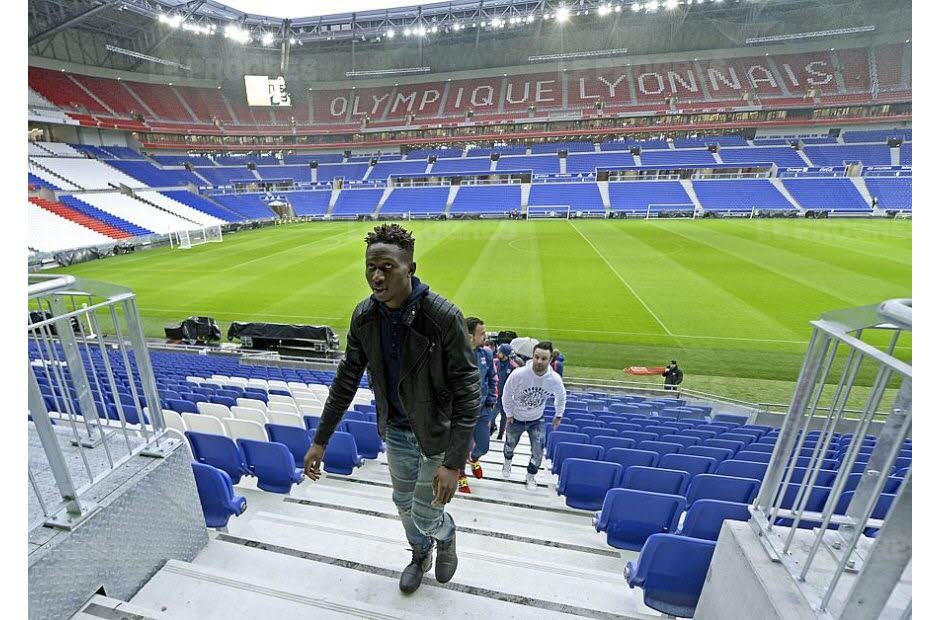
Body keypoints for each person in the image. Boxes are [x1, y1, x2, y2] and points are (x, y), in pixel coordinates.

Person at [302, 224, 481, 595]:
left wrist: (453, 463)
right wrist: (320, 441)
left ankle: (445, 536)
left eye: (387, 267)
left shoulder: (444, 318)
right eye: (371, 267)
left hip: (436, 434)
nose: (377, 275)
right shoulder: (364, 316)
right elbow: (345, 380)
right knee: (403, 503)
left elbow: (468, 394)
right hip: (396, 432)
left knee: (425, 511)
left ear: (410, 268)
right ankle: (419, 554)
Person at [500, 341, 567, 490]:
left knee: (538, 451)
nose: (539, 361)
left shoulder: (554, 379)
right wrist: (508, 413)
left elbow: (561, 396)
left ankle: (530, 476)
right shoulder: (519, 374)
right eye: (536, 357)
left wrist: (558, 415)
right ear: (533, 356)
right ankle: (507, 462)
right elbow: (506, 393)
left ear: (550, 360)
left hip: (536, 419)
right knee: (510, 445)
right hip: (516, 418)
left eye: (544, 358)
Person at [458, 317, 498, 494]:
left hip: (482, 408)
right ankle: (461, 475)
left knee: (483, 446)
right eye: (482, 333)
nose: (486, 336)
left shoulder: (487, 354)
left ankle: (474, 459)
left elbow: (491, 378)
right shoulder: (455, 353)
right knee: (461, 446)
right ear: (469, 336)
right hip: (461, 411)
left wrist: (490, 401)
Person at [493, 343, 520, 439]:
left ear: (505, 354)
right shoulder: (495, 362)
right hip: (495, 393)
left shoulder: (513, 367)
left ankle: (501, 433)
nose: (497, 353)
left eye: (499, 352)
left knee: (504, 415)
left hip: (505, 396)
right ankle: (492, 427)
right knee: (492, 413)